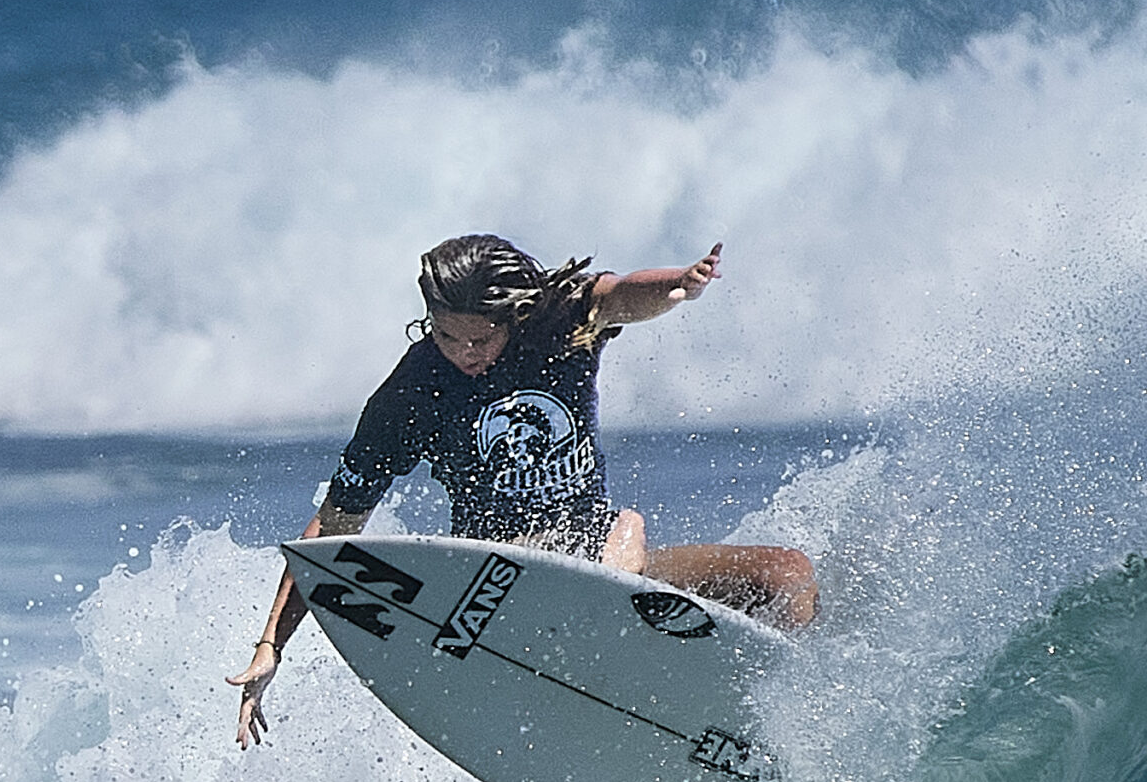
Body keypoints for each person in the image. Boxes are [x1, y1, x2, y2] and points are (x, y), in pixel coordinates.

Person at [228, 234, 817, 749]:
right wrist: (271, 645)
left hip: (601, 564)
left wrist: (678, 284)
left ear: (512, 318)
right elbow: (332, 529)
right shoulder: (410, 394)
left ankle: (776, 726)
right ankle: (620, 670)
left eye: (480, 340)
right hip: (500, 588)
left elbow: (617, 296)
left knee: (784, 574)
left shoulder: (558, 328)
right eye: (447, 336)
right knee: (627, 527)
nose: (465, 354)